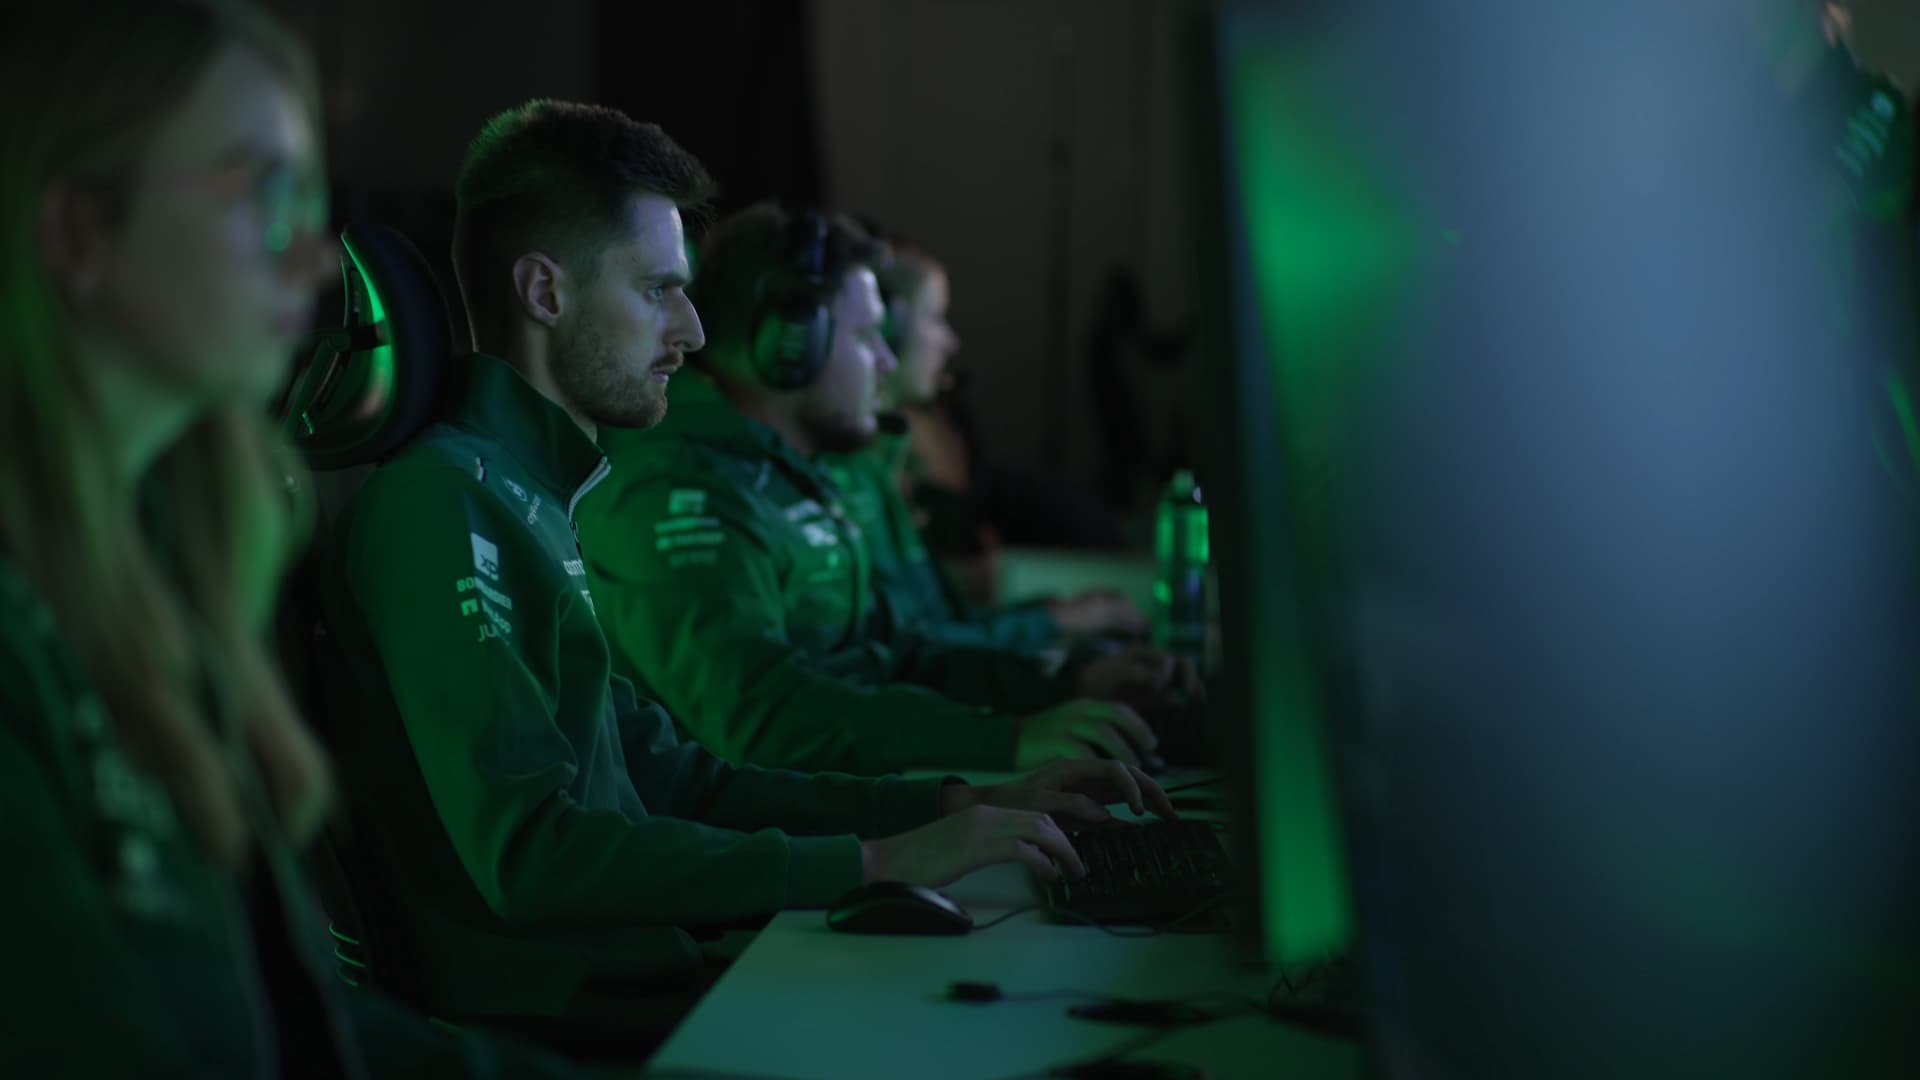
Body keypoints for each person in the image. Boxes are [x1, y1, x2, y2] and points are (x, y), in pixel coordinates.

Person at [316, 100, 1173, 1050]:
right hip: (563, 1024)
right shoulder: (443, 505)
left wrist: (952, 805)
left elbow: (681, 779)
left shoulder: (533, 494)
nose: (690, 331)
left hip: (643, 974)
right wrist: (871, 863)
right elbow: (532, 855)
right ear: (544, 291)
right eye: (658, 290)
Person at [0, 2, 605, 1074]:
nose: (321, 263)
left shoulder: (171, 577)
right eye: (262, 194)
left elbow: (301, 1030)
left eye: (313, 204)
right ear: (81, 230)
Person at [575, 203, 1199, 776]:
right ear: (794, 345)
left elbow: (894, 654)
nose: (886, 363)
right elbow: (760, 717)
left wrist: (1064, 687)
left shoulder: (792, 473)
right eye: (866, 336)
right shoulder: (675, 491)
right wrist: (1000, 744)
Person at [819, 238, 1149, 656]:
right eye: (935, 319)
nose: (950, 342)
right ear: (891, 330)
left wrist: (1055, 616)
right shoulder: (855, 470)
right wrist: (1058, 623)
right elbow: (916, 644)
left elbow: (936, 625)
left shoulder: (886, 456)